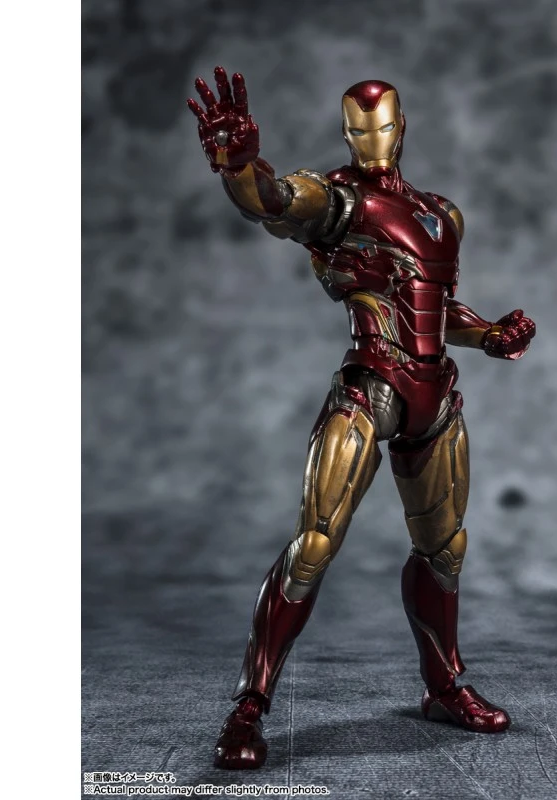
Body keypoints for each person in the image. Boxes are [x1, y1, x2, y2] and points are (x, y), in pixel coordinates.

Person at [187, 68, 536, 769]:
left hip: (435, 394)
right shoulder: (339, 199)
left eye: (379, 127)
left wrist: (492, 333)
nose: (370, 139)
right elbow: (275, 200)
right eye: (357, 129)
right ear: (348, 133)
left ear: (400, 128)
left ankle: (444, 686)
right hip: (371, 385)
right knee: (314, 545)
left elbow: (436, 313)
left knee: (445, 552)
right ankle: (249, 706)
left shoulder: (440, 215)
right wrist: (238, 166)